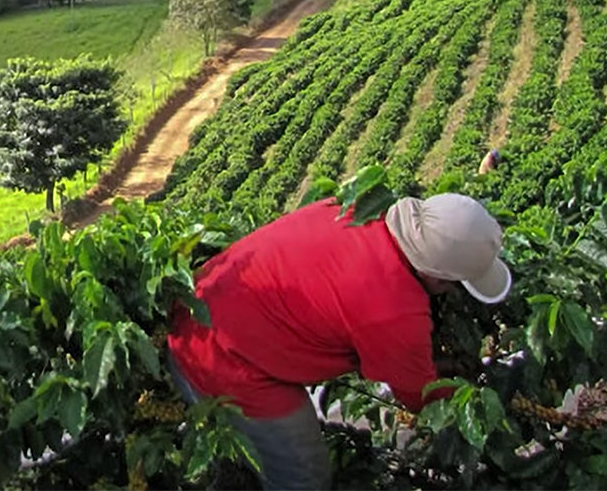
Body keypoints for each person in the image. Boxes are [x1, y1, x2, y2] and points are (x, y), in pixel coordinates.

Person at [168, 194, 511, 490]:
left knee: (249, 453)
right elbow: (419, 396)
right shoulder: (394, 309)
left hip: (194, 307)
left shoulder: (356, 207)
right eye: (454, 283)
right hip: (221, 359)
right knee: (304, 475)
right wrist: (473, 397)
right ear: (437, 275)